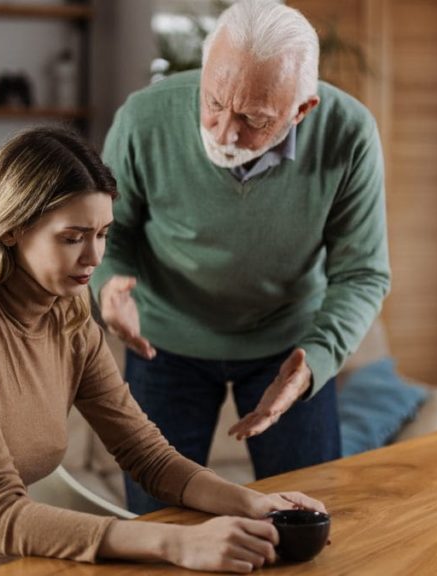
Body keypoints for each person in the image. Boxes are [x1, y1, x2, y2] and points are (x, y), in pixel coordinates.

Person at [0, 126, 325, 575]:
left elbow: (147, 456)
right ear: (11, 229)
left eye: (103, 233)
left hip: (23, 558)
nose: (94, 257)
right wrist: (175, 542)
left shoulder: (67, 316)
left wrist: (256, 504)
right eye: (72, 237)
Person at [92, 0, 391, 514]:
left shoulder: (350, 134)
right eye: (213, 103)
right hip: (163, 344)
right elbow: (107, 232)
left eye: (254, 118)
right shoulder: (142, 119)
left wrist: (315, 360)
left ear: (302, 110)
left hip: (288, 345)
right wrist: (109, 284)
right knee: (154, 521)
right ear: (205, 72)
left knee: (308, 519)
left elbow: (362, 273)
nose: (225, 132)